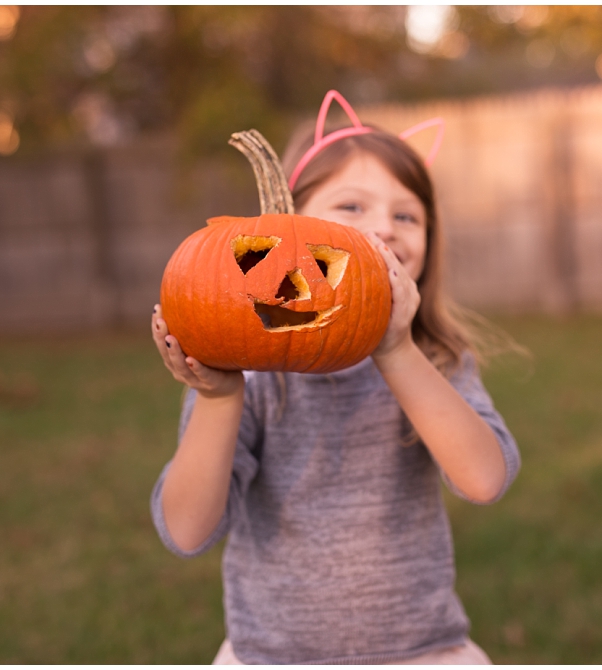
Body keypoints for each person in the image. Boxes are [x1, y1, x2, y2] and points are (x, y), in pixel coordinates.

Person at [149, 90, 521, 665]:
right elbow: (187, 530)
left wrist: (396, 351)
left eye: (406, 215)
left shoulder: (434, 358)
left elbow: (483, 479)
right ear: (288, 229)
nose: (384, 229)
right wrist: (219, 399)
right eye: (352, 208)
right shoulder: (249, 373)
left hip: (419, 652)